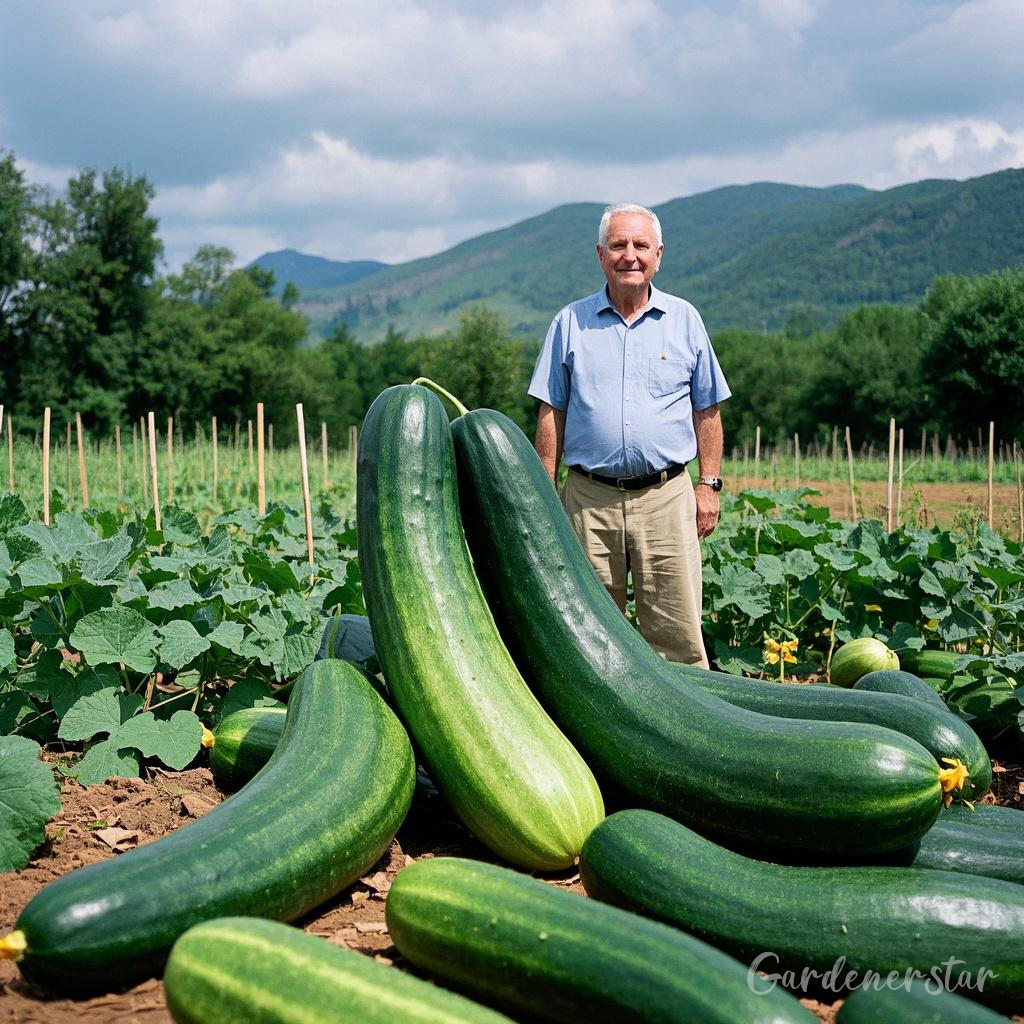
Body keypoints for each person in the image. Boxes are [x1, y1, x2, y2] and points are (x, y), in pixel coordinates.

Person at [528, 202, 730, 668]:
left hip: (666, 497)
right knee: (586, 634)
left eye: (640, 245)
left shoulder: (684, 320)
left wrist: (709, 485)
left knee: (677, 635)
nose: (630, 255)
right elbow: (550, 413)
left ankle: (686, 729)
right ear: (601, 255)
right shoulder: (569, 323)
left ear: (659, 255)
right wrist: (542, 491)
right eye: (618, 245)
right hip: (587, 501)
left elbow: (708, 410)